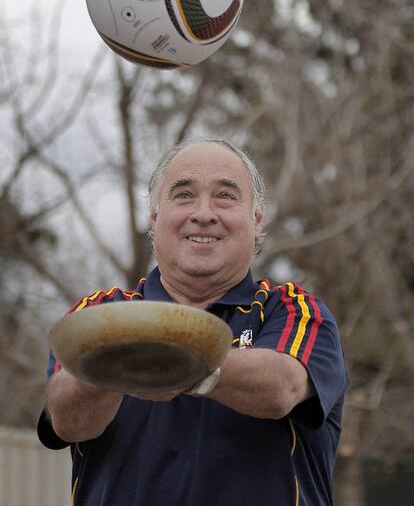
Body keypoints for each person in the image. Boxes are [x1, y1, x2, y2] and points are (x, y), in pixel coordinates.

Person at [38, 137, 349, 506]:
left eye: (226, 196)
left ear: (257, 217)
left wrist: (176, 361)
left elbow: (281, 388)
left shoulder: (295, 311)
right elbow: (66, 420)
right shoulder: (99, 312)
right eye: (183, 195)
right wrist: (111, 365)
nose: (204, 213)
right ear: (155, 215)